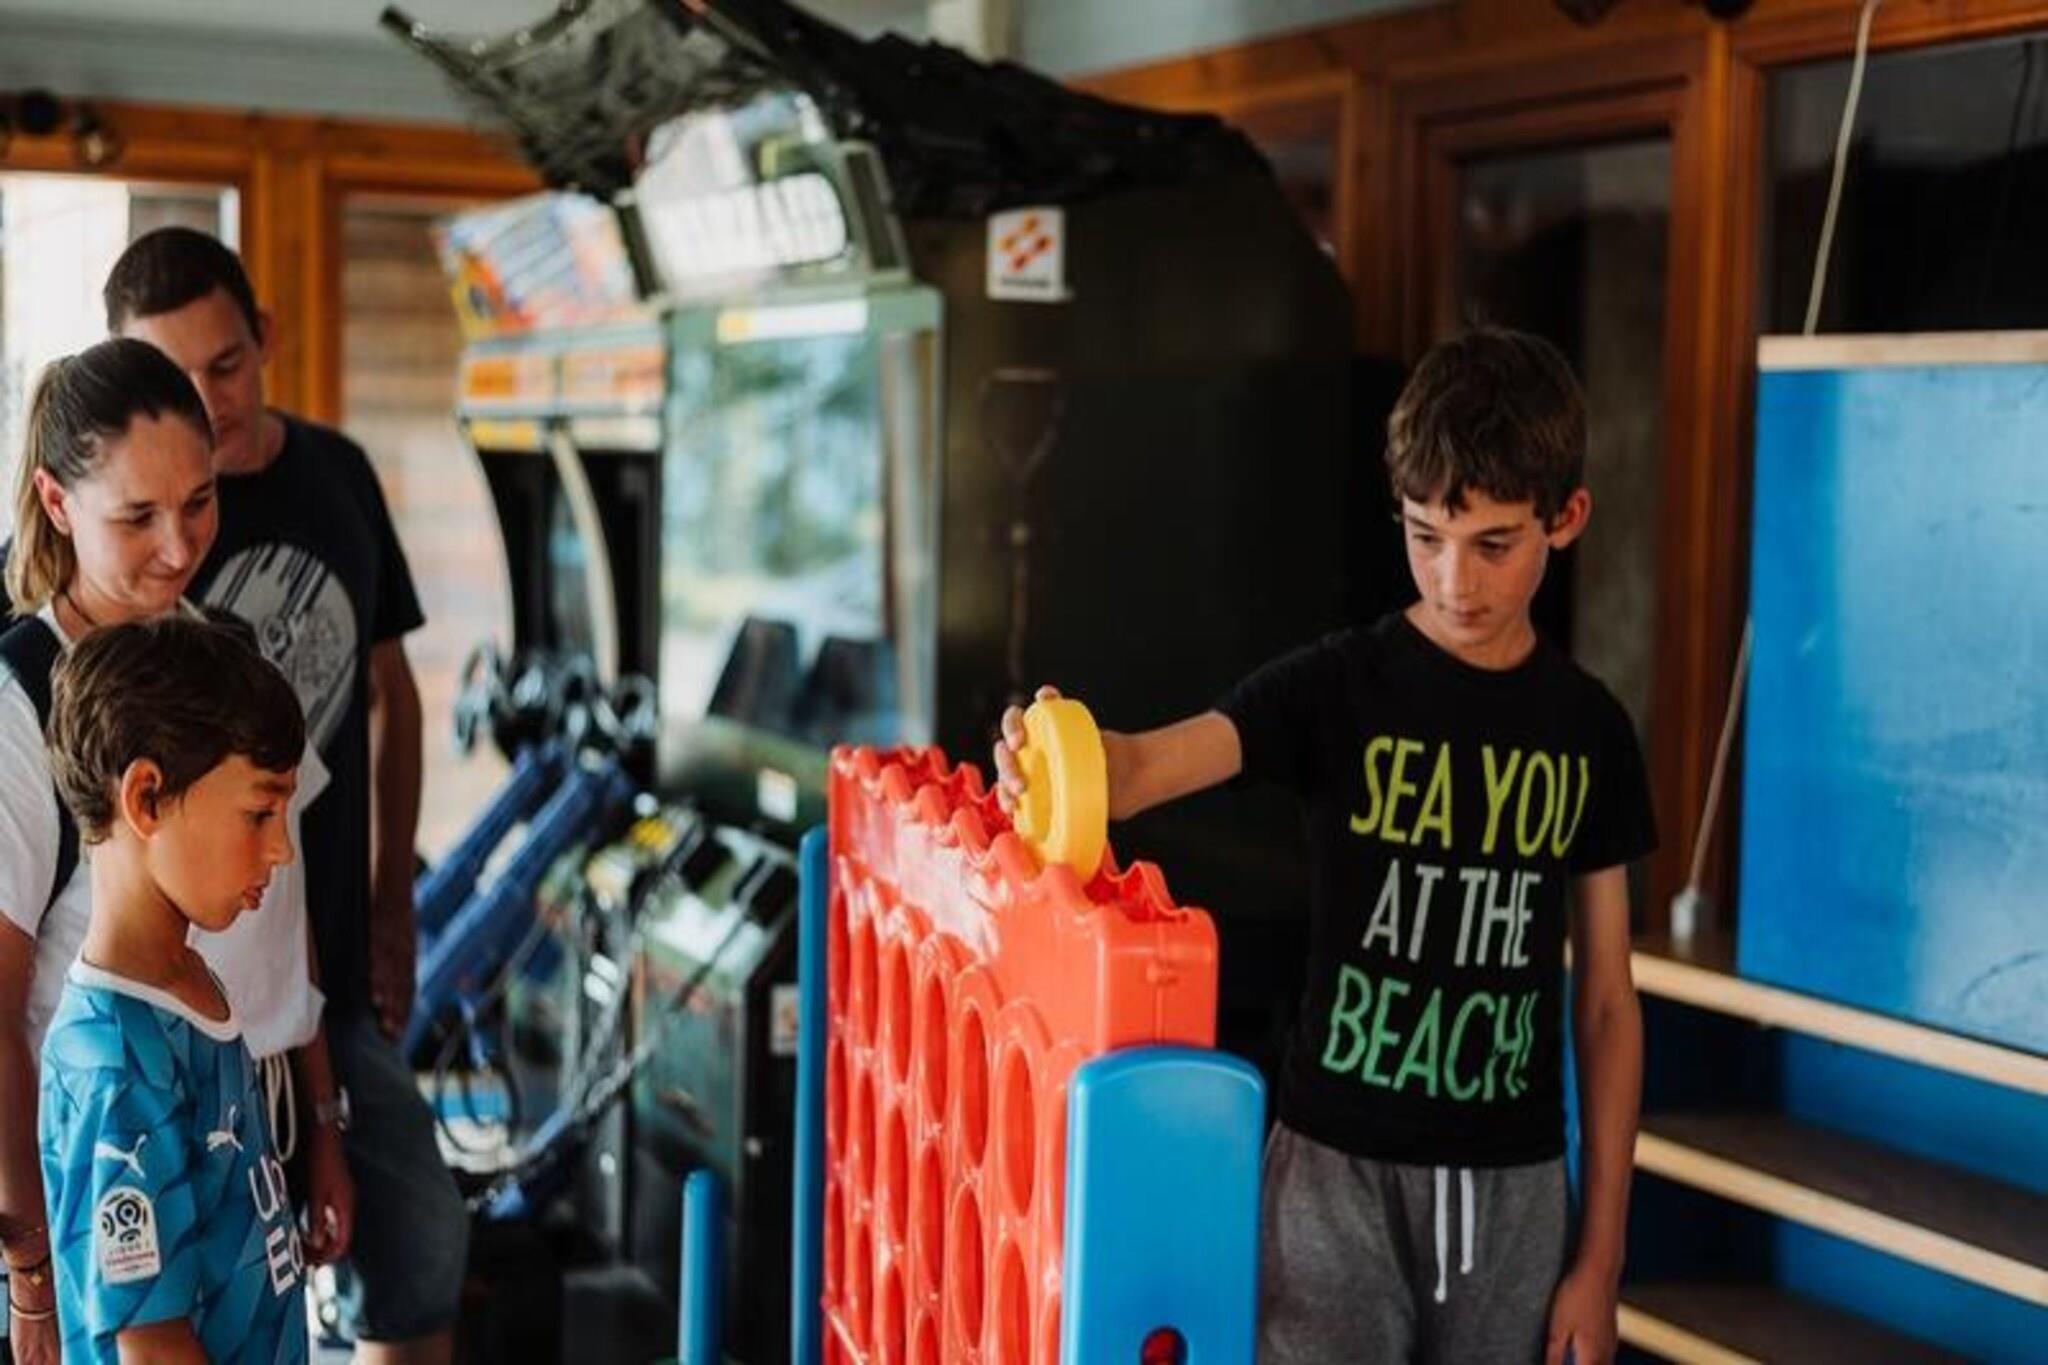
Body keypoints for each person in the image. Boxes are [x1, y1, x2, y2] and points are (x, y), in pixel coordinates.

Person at [996, 327, 1653, 1365]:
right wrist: (1051, 758)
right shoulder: (1336, 686)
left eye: (1492, 544)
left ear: (1564, 518)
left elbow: (1608, 1002)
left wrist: (1601, 1257)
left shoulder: (1591, 731)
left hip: (1512, 1193)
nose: (1454, 580)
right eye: (1426, 536)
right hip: (1329, 1175)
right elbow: (1139, 767)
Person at [106, 228, 464, 1364]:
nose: (206, 401)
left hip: (326, 956)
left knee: (417, 1246)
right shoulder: (154, 532)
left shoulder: (338, 474)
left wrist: (396, 898)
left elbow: (392, 692)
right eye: (173, 378)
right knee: (215, 1291)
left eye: (225, 365)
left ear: (264, 338)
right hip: (190, 991)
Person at [0, 340, 351, 1365]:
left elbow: (285, 922)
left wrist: (323, 1118)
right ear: (57, 504)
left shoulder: (223, 651)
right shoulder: (23, 702)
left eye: (199, 503)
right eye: (137, 516)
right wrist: (33, 1275)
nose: (178, 545)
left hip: (245, 1117)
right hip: (127, 1146)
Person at [37, 613, 309, 1364]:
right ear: (147, 798)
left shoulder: (188, 984)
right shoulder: (116, 1059)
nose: (282, 849)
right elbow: (152, 1345)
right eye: (260, 812)